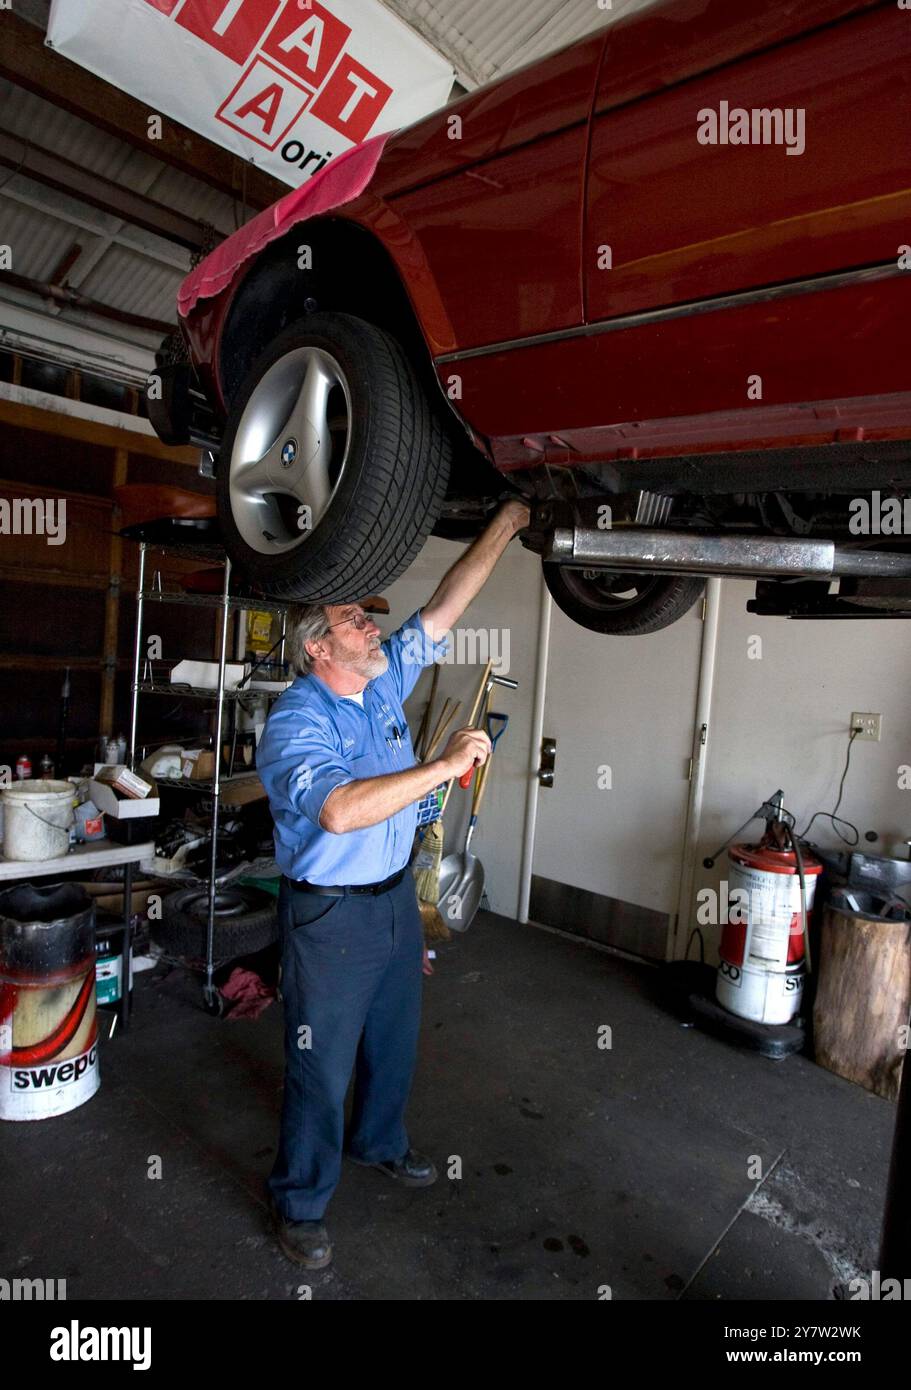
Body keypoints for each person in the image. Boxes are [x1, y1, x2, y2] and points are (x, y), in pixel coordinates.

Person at [256, 498, 530, 1268]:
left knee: (393, 1042)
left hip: (390, 904)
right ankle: (300, 1201)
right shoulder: (295, 722)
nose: (372, 627)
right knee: (321, 1063)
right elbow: (339, 811)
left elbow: (445, 605)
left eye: (369, 618)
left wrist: (505, 527)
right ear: (318, 647)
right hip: (330, 919)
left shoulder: (379, 682)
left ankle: (377, 1141)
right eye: (353, 621)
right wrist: (440, 768)